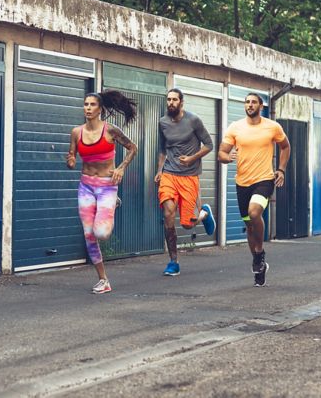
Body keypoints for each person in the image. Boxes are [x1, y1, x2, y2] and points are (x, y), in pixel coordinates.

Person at [66, 90, 138, 294]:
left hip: (107, 186)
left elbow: (133, 147)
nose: (88, 108)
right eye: (85, 104)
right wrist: (70, 161)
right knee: (89, 234)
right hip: (86, 186)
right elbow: (72, 156)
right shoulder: (76, 132)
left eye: (92, 105)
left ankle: (114, 201)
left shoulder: (110, 131)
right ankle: (103, 280)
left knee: (102, 233)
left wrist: (122, 167)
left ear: (100, 109)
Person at [218, 92, 290, 287]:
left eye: (253, 102)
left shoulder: (272, 127)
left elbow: (285, 147)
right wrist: (228, 156)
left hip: (264, 180)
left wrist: (281, 169)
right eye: (247, 102)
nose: (250, 105)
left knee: (254, 212)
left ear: (261, 105)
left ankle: (260, 251)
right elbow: (221, 154)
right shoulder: (235, 127)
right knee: (249, 225)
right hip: (242, 182)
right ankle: (258, 260)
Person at [154, 88, 216, 277]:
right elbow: (163, 150)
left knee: (188, 224)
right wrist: (159, 171)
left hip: (189, 175)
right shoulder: (163, 122)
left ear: (181, 102)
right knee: (168, 214)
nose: (171, 103)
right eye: (168, 100)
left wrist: (192, 158)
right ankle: (173, 261)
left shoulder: (193, 120)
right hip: (169, 174)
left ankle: (204, 213)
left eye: (174, 100)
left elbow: (209, 145)